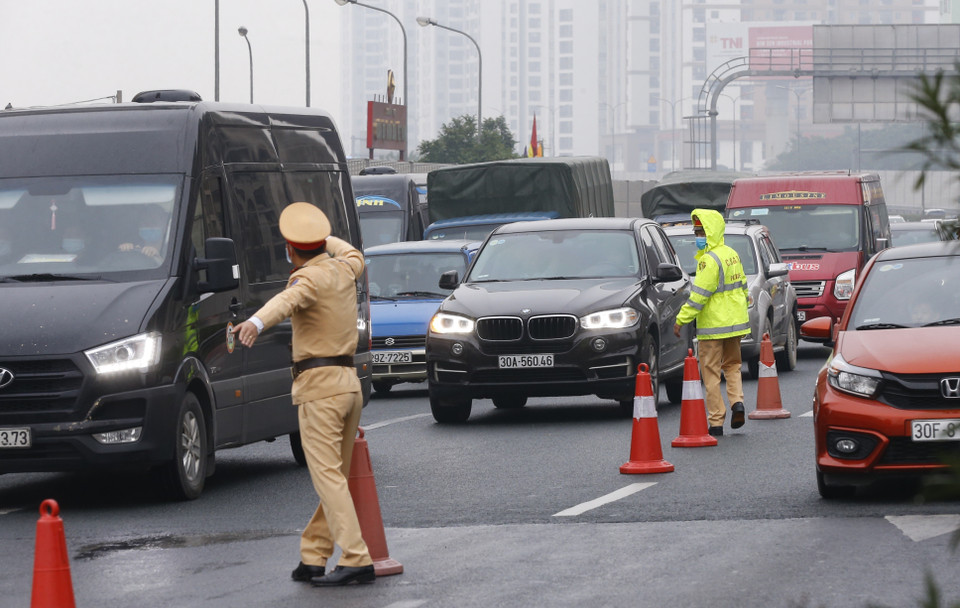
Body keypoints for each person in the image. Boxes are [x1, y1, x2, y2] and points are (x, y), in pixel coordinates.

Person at [231, 202, 375, 587]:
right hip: (349, 384)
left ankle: (357, 558)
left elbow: (285, 302)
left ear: (290, 250)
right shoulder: (344, 269)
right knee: (336, 477)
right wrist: (318, 233)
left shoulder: (306, 279)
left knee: (328, 478)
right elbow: (353, 252)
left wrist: (255, 322)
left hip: (320, 389)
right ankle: (314, 554)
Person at [673, 209, 750, 437]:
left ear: (711, 232)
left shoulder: (708, 260)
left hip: (714, 327)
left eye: (701, 231)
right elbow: (743, 287)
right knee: (733, 366)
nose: (698, 236)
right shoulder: (731, 254)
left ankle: (716, 421)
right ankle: (737, 402)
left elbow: (699, 295)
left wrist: (681, 320)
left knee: (711, 374)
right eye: (696, 231)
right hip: (735, 325)